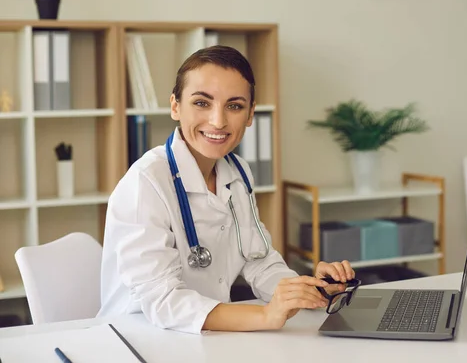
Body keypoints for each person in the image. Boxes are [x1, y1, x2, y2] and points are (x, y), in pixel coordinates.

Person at [97, 45, 355, 334]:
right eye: (201, 103)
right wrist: (266, 316)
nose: (218, 121)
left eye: (234, 106)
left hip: (206, 336)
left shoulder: (238, 171)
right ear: (175, 106)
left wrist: (305, 291)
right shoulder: (145, 182)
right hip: (137, 337)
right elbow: (163, 300)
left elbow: (259, 261)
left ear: (250, 114)